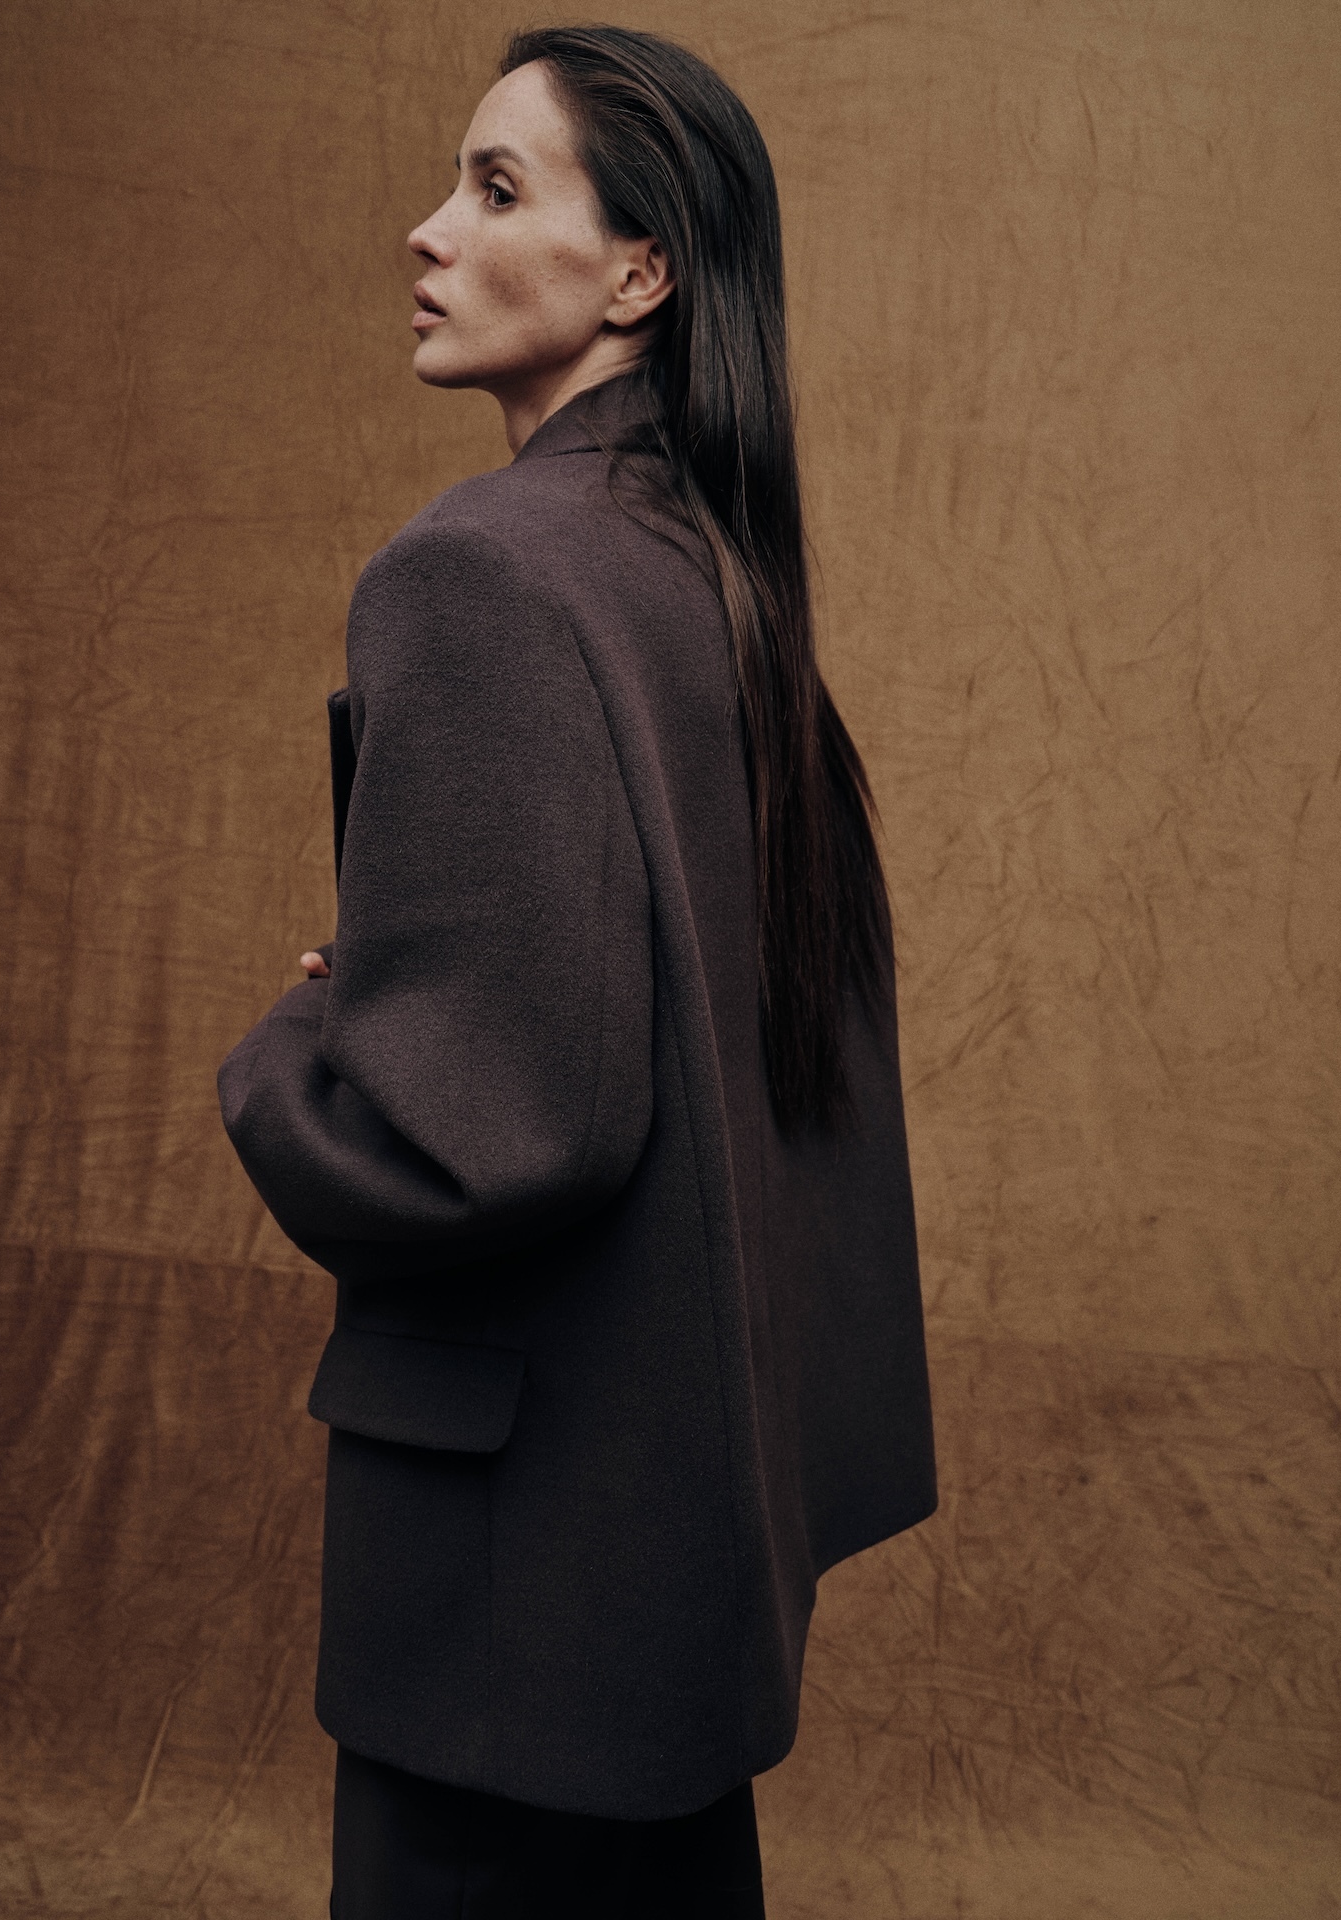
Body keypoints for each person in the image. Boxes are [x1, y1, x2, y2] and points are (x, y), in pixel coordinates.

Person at [218, 24, 935, 1918]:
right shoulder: (705, 566)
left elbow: (492, 1137)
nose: (428, 230)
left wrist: (304, 1043)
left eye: (496, 187)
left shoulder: (480, 573)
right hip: (666, 1542)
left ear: (639, 276)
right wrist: (423, 996)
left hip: (519, 1569)